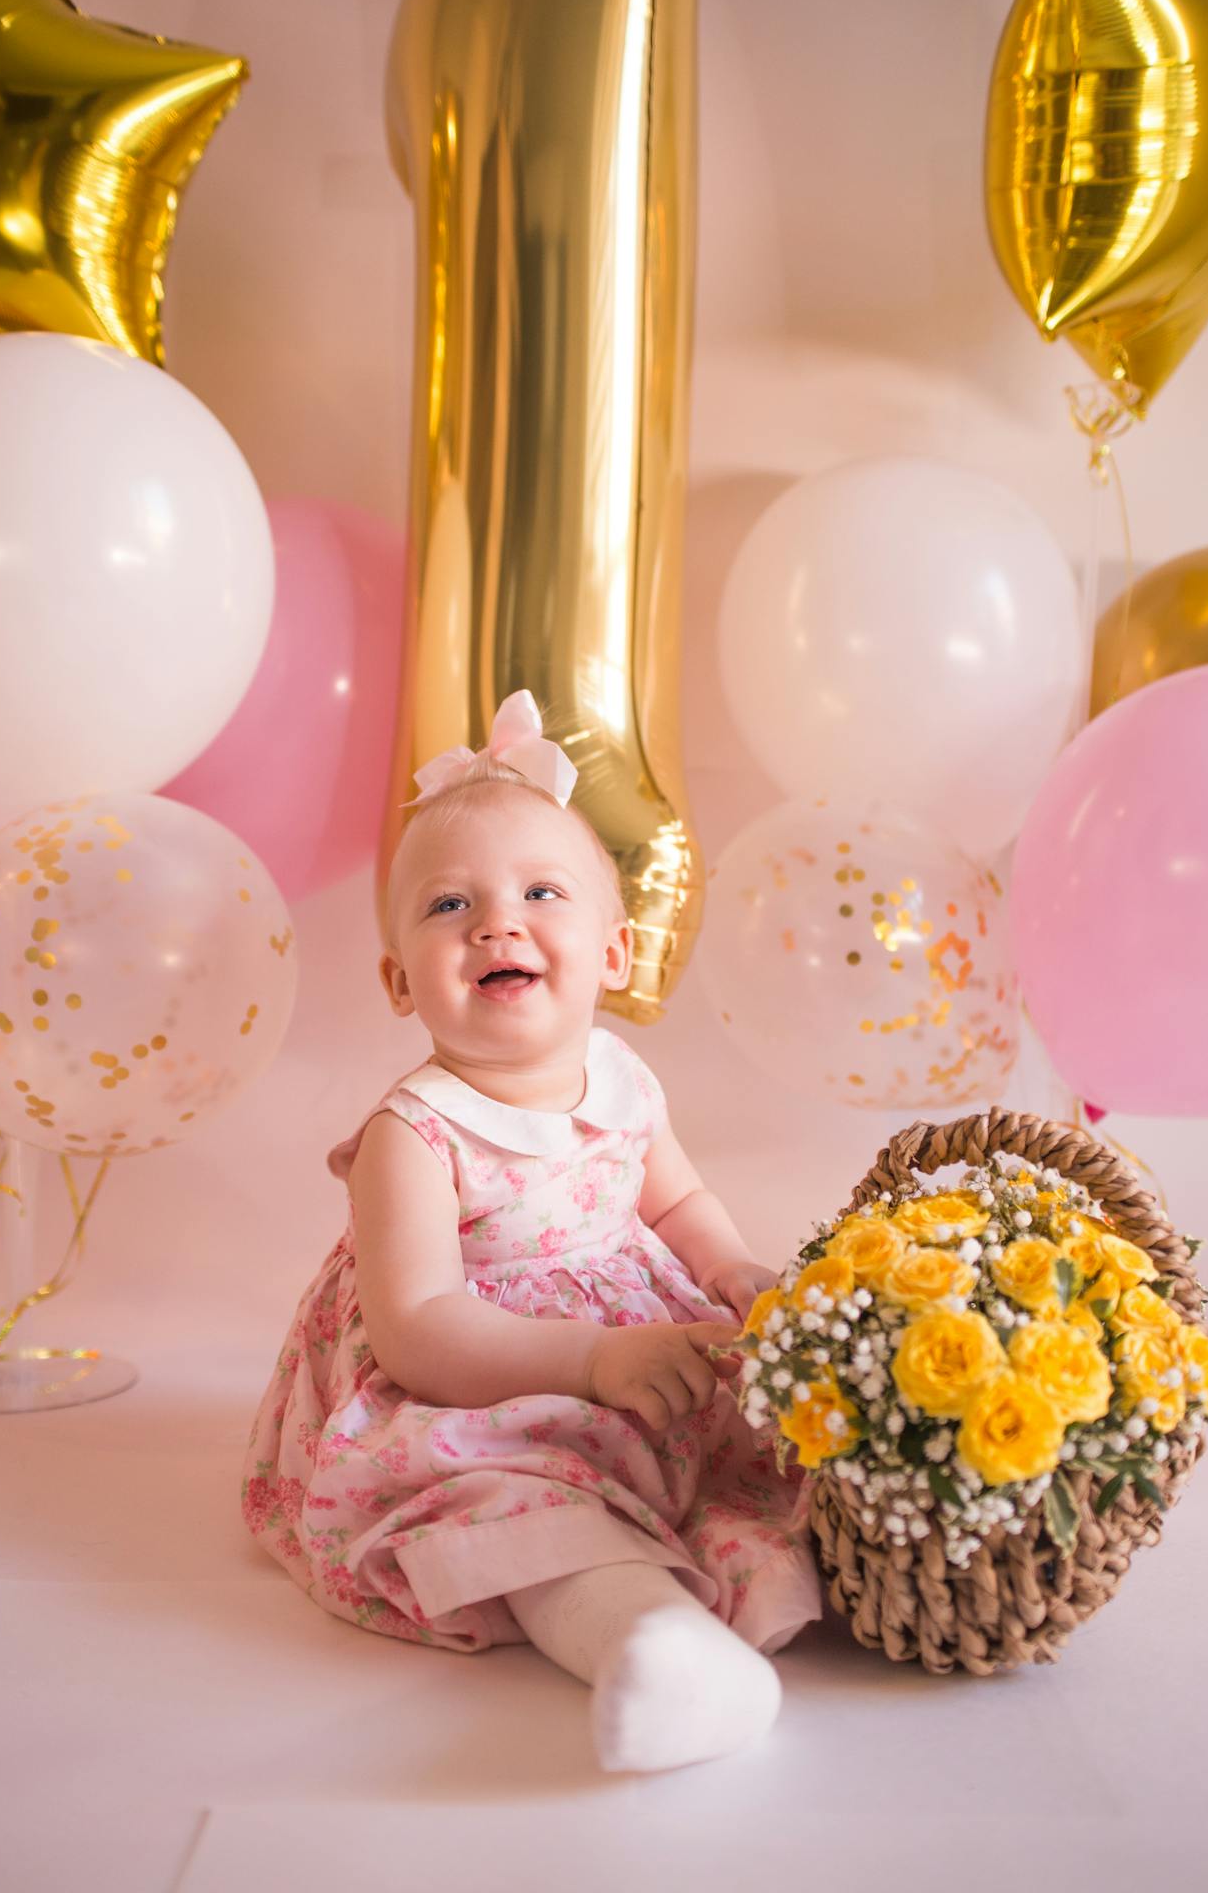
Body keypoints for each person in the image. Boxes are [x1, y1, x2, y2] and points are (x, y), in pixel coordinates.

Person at [241, 690, 822, 1772]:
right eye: (448, 905)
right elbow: (416, 1328)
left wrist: (730, 1264)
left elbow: (673, 1199)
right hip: (477, 1380)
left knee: (754, 1453)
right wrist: (593, 1360)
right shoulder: (410, 1135)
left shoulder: (622, 1076)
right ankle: (644, 1642)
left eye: (538, 892)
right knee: (513, 1507)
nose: (494, 924)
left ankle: (786, 1582)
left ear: (612, 953)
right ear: (397, 981)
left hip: (635, 1354)